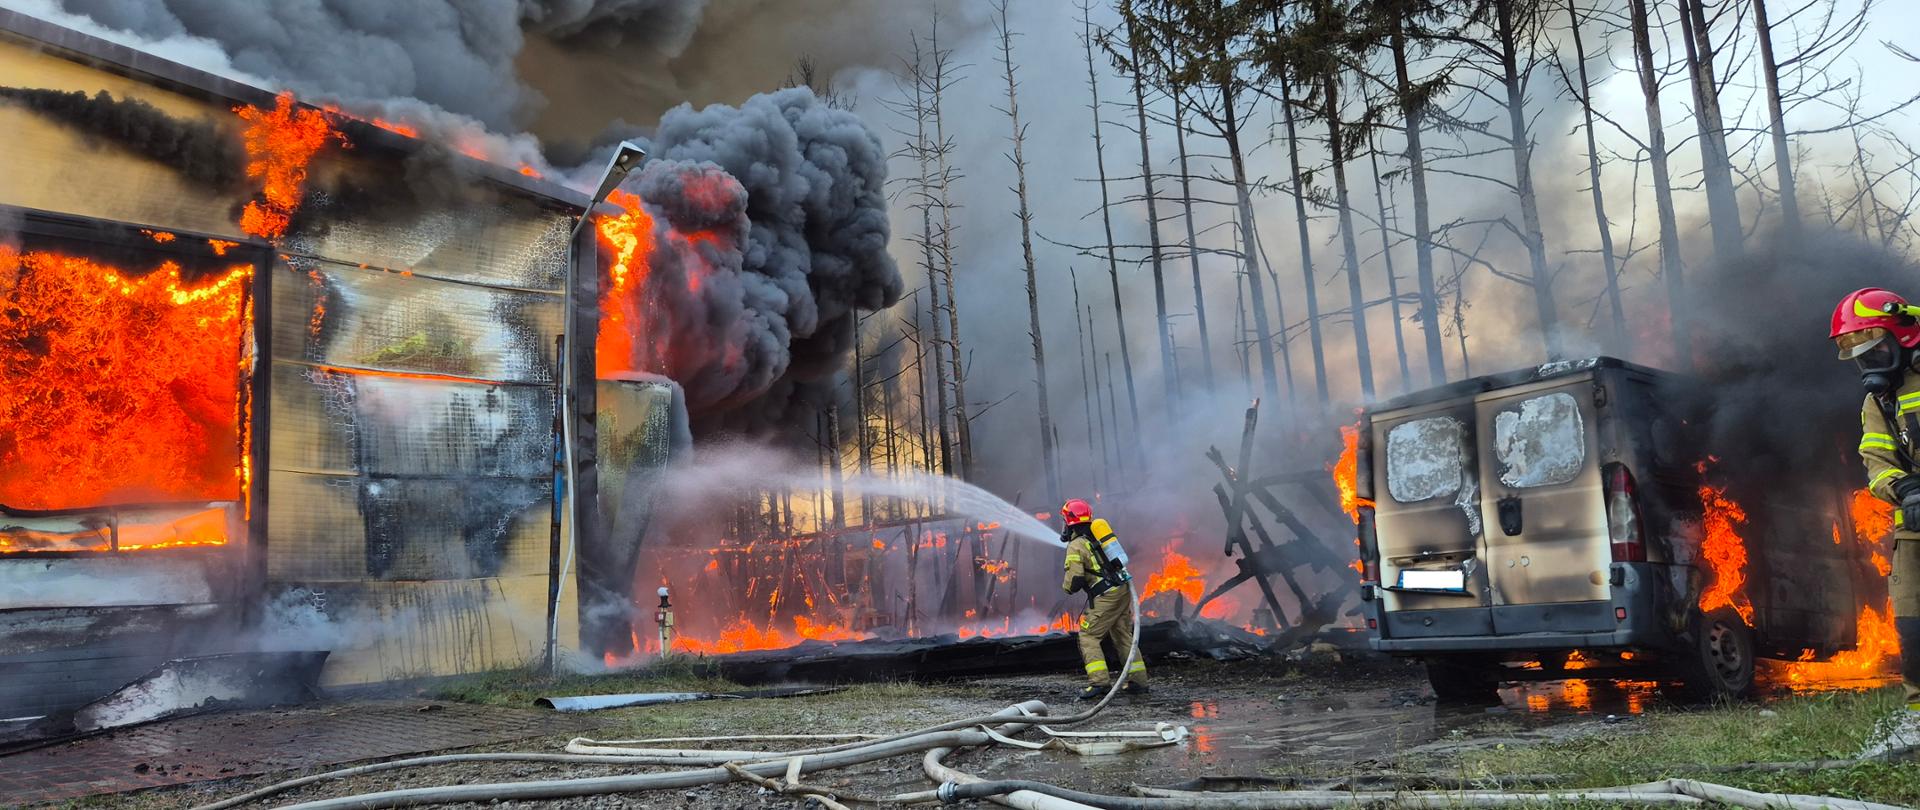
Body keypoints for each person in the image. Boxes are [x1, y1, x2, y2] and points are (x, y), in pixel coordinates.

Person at [1833, 288, 1920, 716]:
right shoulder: (1877, 402)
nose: (1869, 364)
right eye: (1861, 357)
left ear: (1901, 335)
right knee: (1912, 621)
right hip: (1914, 525)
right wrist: (1904, 489)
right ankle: (1917, 720)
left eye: (1875, 350)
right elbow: (1877, 464)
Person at [1059, 498, 1147, 699]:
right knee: (1122, 634)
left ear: (1069, 521)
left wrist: (1066, 588)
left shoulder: (1076, 545)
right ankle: (1138, 681)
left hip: (1106, 595)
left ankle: (1099, 683)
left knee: (1088, 636)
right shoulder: (1096, 537)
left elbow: (1074, 581)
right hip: (1121, 589)